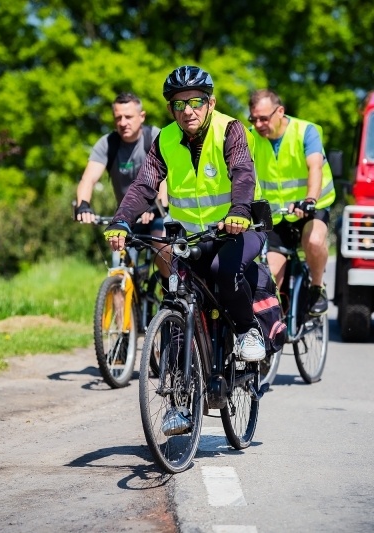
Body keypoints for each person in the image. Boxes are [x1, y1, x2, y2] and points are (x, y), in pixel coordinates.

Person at [104, 65, 267, 373]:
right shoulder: (164, 139)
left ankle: (248, 331)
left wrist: (239, 213)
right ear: (170, 108)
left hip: (237, 231)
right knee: (178, 298)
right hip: (190, 238)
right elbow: (144, 185)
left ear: (211, 103)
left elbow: (243, 173)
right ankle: (179, 392)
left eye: (196, 102)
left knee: (223, 271)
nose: (188, 111)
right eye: (179, 104)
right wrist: (121, 220)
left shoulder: (230, 129)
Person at [248, 89, 336, 316]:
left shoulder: (306, 131)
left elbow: (314, 166)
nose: (258, 124)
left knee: (314, 241)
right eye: (253, 119)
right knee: (269, 277)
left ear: (280, 112)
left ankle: (317, 287)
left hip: (310, 208)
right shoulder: (250, 137)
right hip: (276, 216)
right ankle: (274, 328)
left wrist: (310, 200)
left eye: (263, 118)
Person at [75, 92, 169, 275]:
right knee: (119, 268)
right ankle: (120, 297)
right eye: (118, 118)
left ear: (142, 117)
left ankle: (169, 294)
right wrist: (83, 206)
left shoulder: (154, 137)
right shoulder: (108, 144)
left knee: (163, 250)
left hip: (158, 213)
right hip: (127, 216)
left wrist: (156, 208)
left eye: (128, 117)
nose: (123, 122)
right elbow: (88, 179)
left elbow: (164, 179)